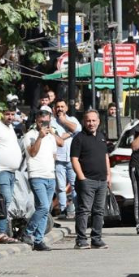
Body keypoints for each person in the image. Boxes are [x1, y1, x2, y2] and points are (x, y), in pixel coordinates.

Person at [22, 106, 63, 251]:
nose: (44, 125)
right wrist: (40, 136)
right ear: (36, 122)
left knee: (46, 210)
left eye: (46, 122)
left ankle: (39, 240)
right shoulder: (30, 135)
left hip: (49, 176)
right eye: (41, 122)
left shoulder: (52, 136)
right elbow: (32, 153)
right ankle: (27, 232)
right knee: (43, 207)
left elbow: (59, 146)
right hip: (36, 175)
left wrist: (52, 132)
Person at [71, 110, 111, 249]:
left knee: (99, 211)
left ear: (98, 122)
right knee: (84, 210)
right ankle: (81, 240)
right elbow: (74, 159)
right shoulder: (79, 138)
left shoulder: (101, 137)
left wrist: (108, 175)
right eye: (88, 121)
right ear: (84, 121)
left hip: (101, 181)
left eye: (94, 120)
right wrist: (82, 178)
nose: (91, 123)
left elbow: (105, 157)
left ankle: (96, 239)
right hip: (87, 180)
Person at [0, 107, 22, 244]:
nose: (10, 117)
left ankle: (0, 231)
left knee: (5, 202)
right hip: (0, 170)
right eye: (7, 114)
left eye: (12, 114)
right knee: (3, 202)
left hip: (10, 172)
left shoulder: (9, 127)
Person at [53, 99, 80, 219]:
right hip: (58, 158)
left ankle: (76, 209)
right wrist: (70, 133)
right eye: (58, 106)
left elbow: (78, 129)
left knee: (75, 184)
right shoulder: (52, 122)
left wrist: (64, 121)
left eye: (62, 106)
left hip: (72, 158)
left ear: (66, 108)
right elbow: (57, 138)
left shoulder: (72, 119)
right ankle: (64, 209)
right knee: (60, 186)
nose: (60, 109)